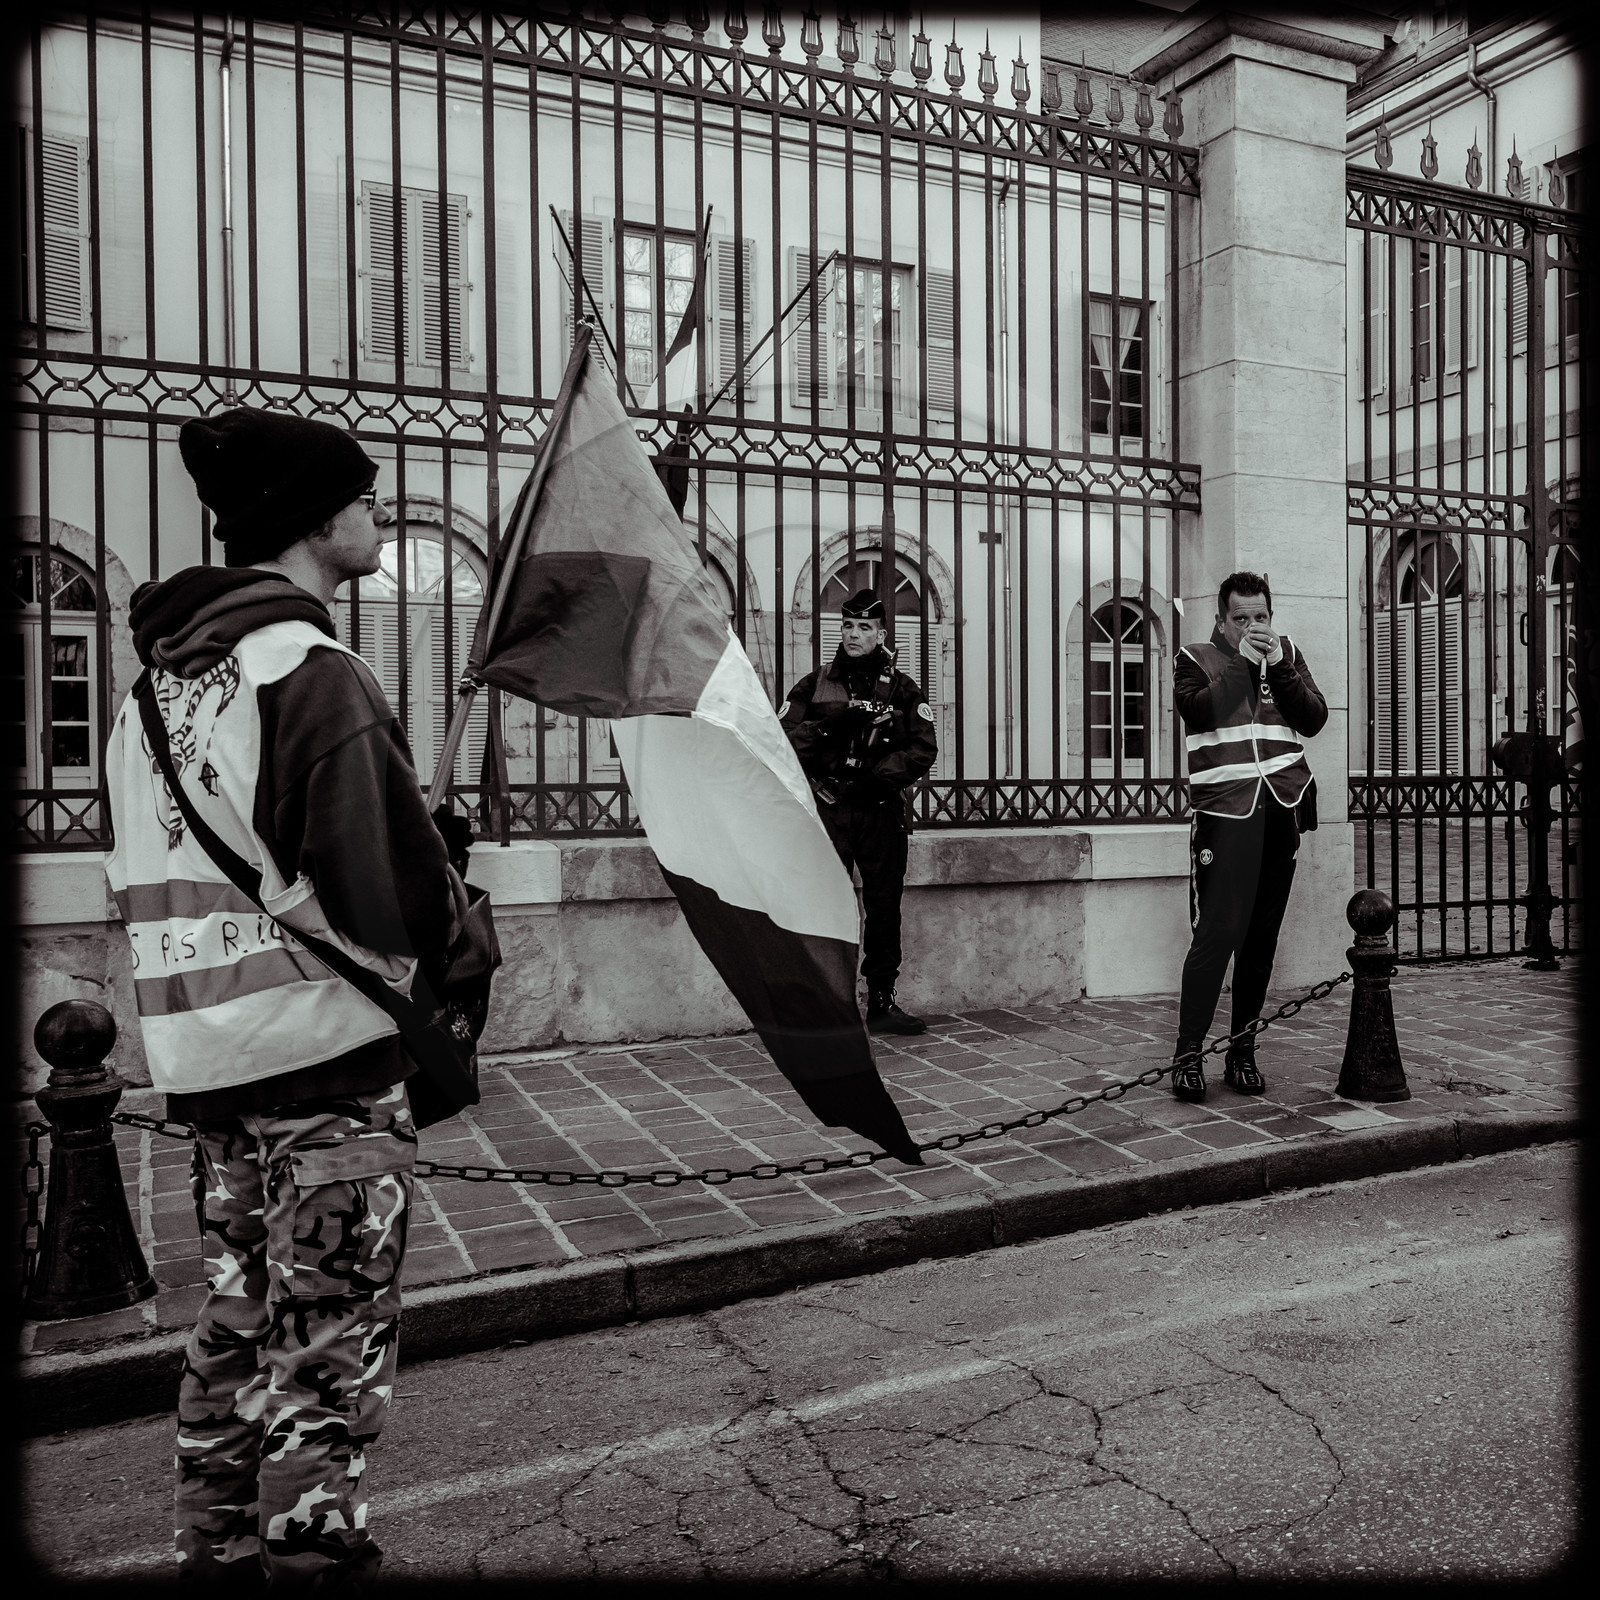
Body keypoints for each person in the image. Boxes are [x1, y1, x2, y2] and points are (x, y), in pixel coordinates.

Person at [104, 407, 463, 1590]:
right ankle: (313, 1552)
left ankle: (213, 1549)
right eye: (364, 498)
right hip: (321, 1063)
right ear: (314, 521)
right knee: (329, 1339)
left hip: (207, 1065)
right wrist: (450, 894)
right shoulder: (308, 670)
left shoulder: (149, 694)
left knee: (236, 1322)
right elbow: (388, 896)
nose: (377, 515)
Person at [1170, 571, 1327, 1101]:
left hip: (1281, 806)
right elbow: (1202, 712)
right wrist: (1242, 662)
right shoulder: (1194, 659)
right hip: (1225, 812)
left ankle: (1242, 1051)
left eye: (1260, 616)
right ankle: (1188, 1054)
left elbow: (1313, 718)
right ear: (1221, 620)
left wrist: (1277, 664)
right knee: (1216, 934)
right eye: (1241, 618)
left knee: (1261, 939)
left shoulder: (1288, 656)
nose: (1252, 626)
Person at [780, 586, 939, 1034]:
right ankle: (826, 1004)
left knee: (884, 908)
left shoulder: (901, 689)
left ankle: (882, 1003)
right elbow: (781, 743)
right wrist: (827, 726)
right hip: (830, 809)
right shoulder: (815, 684)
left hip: (880, 809)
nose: (853, 634)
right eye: (847, 625)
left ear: (881, 634)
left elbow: (923, 748)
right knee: (823, 907)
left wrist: (878, 778)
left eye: (864, 627)